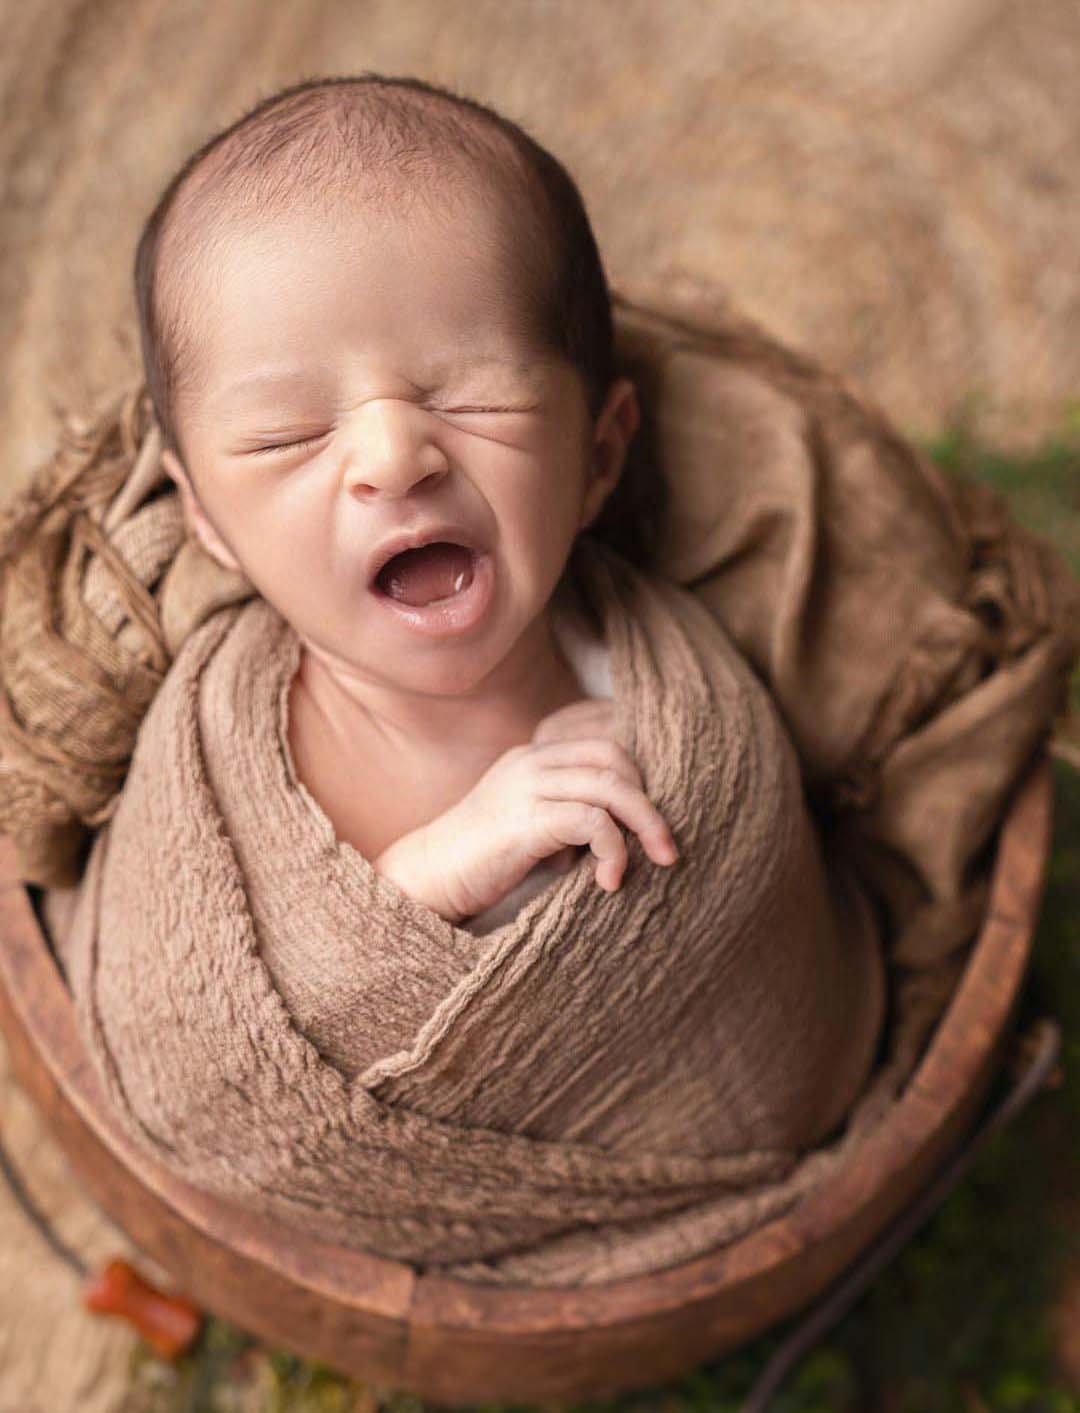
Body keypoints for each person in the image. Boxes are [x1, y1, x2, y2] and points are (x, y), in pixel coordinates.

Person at [138, 72, 679, 932]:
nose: (393, 460)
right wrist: (429, 874)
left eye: (472, 397)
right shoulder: (236, 761)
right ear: (207, 519)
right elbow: (222, 1007)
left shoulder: (647, 658)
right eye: (287, 435)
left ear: (599, 454)